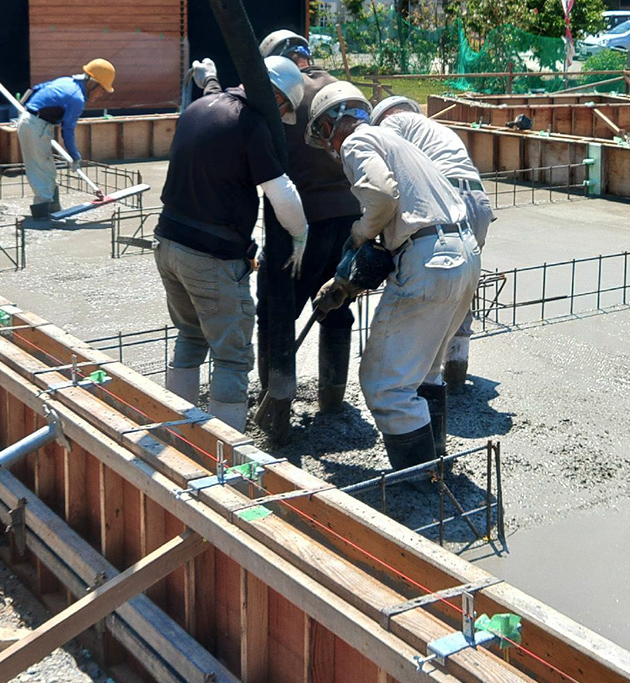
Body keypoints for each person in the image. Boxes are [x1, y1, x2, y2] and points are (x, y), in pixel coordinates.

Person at [306, 81, 481, 470]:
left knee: (383, 384)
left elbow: (382, 198)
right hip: (462, 253)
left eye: (323, 134)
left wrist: (360, 232)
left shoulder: (357, 141)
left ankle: (415, 480)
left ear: (333, 123)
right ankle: (434, 463)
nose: (330, 148)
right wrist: (346, 282)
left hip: (431, 261)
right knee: (424, 372)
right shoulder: (400, 145)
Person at [155, 56, 308, 432]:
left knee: (190, 336)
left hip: (168, 244)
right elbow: (282, 193)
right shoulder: (250, 124)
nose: (281, 116)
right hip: (211, 256)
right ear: (279, 98)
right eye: (285, 108)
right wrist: (301, 233)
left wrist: (210, 77)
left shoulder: (199, 107)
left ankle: (179, 432)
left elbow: (214, 94)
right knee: (233, 357)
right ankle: (227, 456)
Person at [256, 29, 362, 413]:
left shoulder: (280, 97)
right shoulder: (339, 88)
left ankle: (276, 399)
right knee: (336, 304)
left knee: (275, 308)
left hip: (301, 221)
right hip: (351, 216)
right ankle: (332, 400)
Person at [369, 96, 493, 400]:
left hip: (445, 197)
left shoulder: (391, 125)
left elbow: (390, 178)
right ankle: (457, 367)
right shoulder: (439, 130)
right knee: (462, 283)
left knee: (430, 284)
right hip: (478, 203)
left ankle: (422, 374)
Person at [16, 59, 116, 219]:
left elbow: (38, 88)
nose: (101, 95)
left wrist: (24, 105)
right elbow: (68, 130)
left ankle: (53, 208)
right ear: (92, 83)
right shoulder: (77, 98)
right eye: (102, 90)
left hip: (36, 122)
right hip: (35, 125)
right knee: (40, 169)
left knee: (47, 167)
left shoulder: (67, 81)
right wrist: (74, 156)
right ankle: (42, 214)